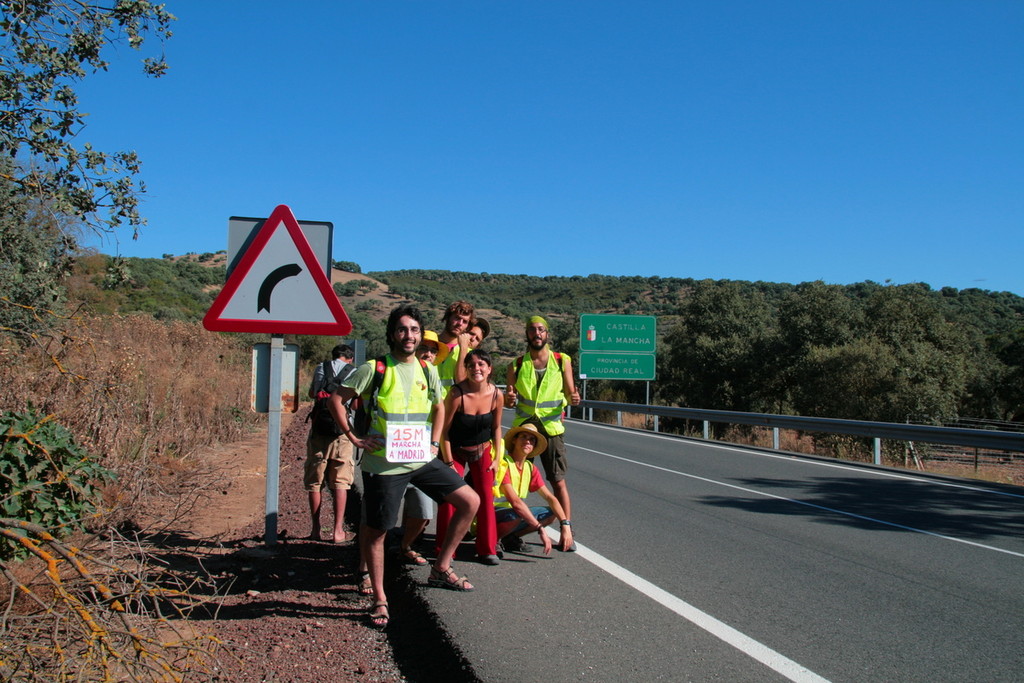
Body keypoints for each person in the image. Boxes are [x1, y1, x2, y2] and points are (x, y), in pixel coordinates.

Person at [329, 306, 480, 630]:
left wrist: (436, 443)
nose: (409, 335)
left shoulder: (427, 370)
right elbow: (335, 400)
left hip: (421, 459)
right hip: (384, 466)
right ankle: (380, 599)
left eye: (414, 329)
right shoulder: (375, 368)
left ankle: (441, 568)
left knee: (471, 501)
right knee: (378, 531)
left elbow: (439, 407)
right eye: (402, 329)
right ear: (392, 334)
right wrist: (354, 437)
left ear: (420, 333)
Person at [504, 315, 580, 551]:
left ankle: (567, 532)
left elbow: (570, 393)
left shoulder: (561, 360)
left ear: (547, 334)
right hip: (525, 429)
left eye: (541, 330)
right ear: (526, 334)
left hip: (552, 430)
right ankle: (509, 531)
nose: (537, 334)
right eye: (532, 330)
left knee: (557, 481)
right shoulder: (516, 365)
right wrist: (509, 399)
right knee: (514, 479)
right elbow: (509, 400)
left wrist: (574, 398)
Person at [436, 349, 503, 565]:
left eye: (481, 364)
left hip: (482, 450)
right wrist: (448, 463)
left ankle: (487, 549)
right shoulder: (456, 394)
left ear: (489, 368)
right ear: (466, 368)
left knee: (485, 497)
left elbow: (497, 428)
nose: (476, 368)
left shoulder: (496, 395)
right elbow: (444, 432)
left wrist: (497, 458)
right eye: (471, 365)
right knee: (450, 499)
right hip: (454, 449)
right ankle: (444, 550)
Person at [394, 330, 450, 567]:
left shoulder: (433, 376)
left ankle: (404, 546)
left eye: (433, 350)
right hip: (392, 453)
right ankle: (365, 565)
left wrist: (435, 445)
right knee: (380, 515)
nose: (428, 353)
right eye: (424, 347)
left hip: (422, 453)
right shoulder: (395, 372)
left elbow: (440, 412)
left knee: (424, 513)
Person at [493, 423, 573, 554]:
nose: (527, 441)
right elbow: (516, 503)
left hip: (513, 514)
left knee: (552, 512)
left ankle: (510, 538)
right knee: (517, 513)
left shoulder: (530, 468)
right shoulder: (504, 463)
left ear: (534, 446)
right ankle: (493, 540)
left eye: (532, 440)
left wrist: (565, 525)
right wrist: (540, 528)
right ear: (514, 440)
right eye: (523, 437)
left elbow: (550, 497)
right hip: (493, 514)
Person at [305, 343, 357, 543]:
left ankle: (316, 529)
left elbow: (312, 393)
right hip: (343, 432)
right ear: (349, 358)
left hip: (319, 430)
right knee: (341, 482)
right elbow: (356, 403)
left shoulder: (321, 367)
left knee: (315, 481)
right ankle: (337, 531)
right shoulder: (353, 371)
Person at [436, 300, 474, 395]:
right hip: (427, 406)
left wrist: (463, 349)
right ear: (448, 317)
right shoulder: (429, 344)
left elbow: (462, 382)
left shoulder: (468, 353)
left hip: (452, 406)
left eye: (465, 321)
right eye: (457, 318)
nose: (460, 323)